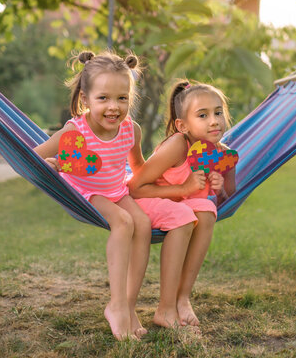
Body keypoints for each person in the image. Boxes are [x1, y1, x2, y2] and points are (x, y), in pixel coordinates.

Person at [33, 51, 151, 340]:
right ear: (85, 98)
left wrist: (174, 182)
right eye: (103, 99)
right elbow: (32, 158)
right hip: (86, 190)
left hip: (116, 188)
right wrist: (57, 164)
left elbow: (139, 169)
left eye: (122, 98)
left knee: (144, 224)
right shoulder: (74, 132)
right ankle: (116, 305)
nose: (114, 107)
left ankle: (129, 304)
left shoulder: (130, 130)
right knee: (123, 223)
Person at [129, 81, 236, 329]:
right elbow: (135, 188)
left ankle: (182, 298)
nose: (214, 121)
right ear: (182, 125)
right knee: (184, 214)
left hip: (181, 205)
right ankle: (165, 309)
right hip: (148, 200)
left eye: (218, 112)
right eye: (203, 115)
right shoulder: (178, 145)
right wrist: (183, 189)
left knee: (208, 211)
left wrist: (219, 189)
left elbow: (228, 197)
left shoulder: (223, 153)